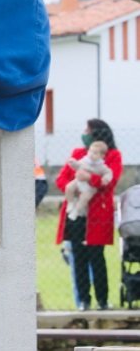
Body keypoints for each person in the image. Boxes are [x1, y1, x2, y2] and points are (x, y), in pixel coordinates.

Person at [55, 119, 123, 311]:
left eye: (87, 130)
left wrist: (90, 179)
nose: (84, 133)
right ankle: (83, 300)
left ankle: (102, 301)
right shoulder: (78, 155)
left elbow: (110, 183)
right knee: (79, 257)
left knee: (97, 257)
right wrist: (75, 188)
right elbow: (62, 179)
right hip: (77, 214)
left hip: (97, 215)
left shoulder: (113, 156)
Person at [63, 140, 112, 221]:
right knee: (68, 187)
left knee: (84, 198)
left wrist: (106, 179)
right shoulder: (85, 160)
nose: (91, 154)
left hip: (90, 187)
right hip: (78, 181)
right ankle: (70, 203)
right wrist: (73, 163)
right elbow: (77, 166)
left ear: (102, 156)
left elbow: (108, 173)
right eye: (90, 151)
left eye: (95, 153)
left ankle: (76, 211)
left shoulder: (101, 166)